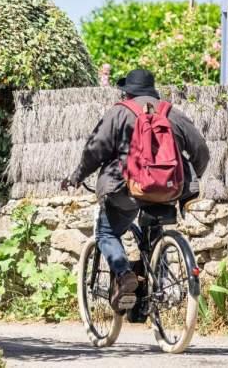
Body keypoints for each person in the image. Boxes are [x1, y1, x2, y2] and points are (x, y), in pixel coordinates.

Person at [66, 69, 210, 313]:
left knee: (106, 233)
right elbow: (201, 151)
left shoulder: (119, 112)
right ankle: (159, 281)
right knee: (154, 230)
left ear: (128, 91)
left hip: (126, 188)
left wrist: (77, 177)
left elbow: (95, 151)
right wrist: (186, 181)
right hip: (167, 190)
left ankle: (125, 275)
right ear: (152, 91)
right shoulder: (172, 113)